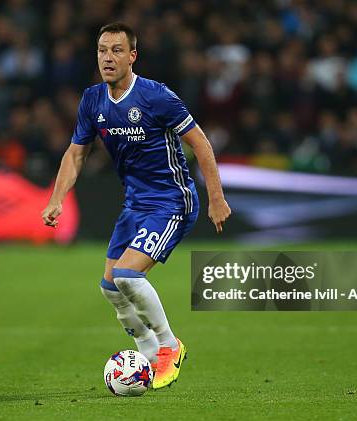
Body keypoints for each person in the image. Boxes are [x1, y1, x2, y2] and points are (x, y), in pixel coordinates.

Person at [41, 22, 231, 389]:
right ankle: (145, 350)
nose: (107, 58)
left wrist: (217, 198)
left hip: (172, 201)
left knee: (128, 275)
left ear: (132, 56)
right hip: (136, 204)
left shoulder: (156, 97)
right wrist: (57, 198)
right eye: (101, 50)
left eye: (115, 50)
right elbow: (76, 154)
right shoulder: (92, 99)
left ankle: (169, 346)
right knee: (110, 287)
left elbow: (202, 144)